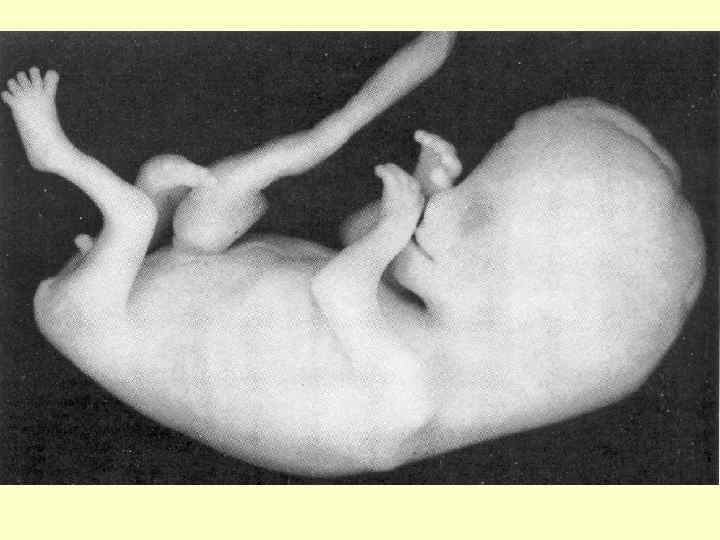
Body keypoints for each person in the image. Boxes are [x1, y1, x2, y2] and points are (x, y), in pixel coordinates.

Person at [2, 32, 704, 476]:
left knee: (162, 207)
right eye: (475, 187)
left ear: (540, 323)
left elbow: (337, 288)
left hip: (120, 319)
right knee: (277, 167)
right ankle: (184, 197)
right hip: (192, 278)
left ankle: (59, 159)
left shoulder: (411, 404)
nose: (445, 206)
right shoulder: (444, 333)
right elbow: (353, 235)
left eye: (478, 217)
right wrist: (416, 200)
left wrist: (397, 229)